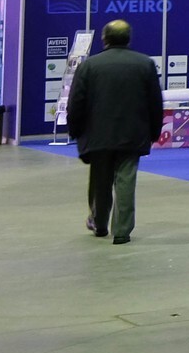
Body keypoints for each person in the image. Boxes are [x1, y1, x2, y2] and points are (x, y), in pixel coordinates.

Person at [66, 19, 165, 245]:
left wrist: (75, 131)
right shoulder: (145, 64)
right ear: (129, 39)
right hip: (133, 134)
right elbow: (155, 103)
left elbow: (76, 102)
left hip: (97, 135)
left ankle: (99, 224)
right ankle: (122, 230)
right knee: (126, 180)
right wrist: (154, 132)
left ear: (104, 39)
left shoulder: (89, 66)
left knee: (100, 181)